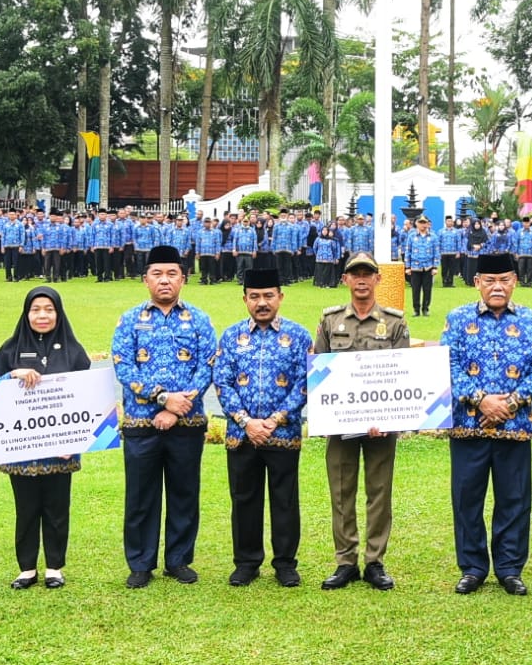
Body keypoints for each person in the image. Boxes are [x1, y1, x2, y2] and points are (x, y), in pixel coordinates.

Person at [441, 253, 532, 596]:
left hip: (514, 427)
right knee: (467, 498)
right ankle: (472, 567)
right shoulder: (457, 320)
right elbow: (448, 365)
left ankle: (509, 568)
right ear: (477, 283)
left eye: (504, 279)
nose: (498, 287)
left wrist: (510, 404)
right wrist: (481, 399)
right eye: (490, 280)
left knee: (514, 499)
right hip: (468, 426)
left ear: (515, 281)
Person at [111, 245, 217, 589]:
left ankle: (178, 560)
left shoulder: (199, 319)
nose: (165, 281)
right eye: (157, 274)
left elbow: (207, 365)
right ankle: (141, 563)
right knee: (141, 496)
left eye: (172, 274)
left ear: (183, 279)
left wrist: (177, 407)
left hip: (186, 423)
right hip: (142, 423)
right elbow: (123, 366)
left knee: (184, 493)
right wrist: (162, 399)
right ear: (145, 280)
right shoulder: (129, 320)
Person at [314, 253, 410, 591]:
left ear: (378, 280)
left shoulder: (395, 323)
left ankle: (375, 561)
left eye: (368, 274)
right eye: (355, 274)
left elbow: (402, 374)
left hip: (380, 426)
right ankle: (345, 561)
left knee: (379, 492)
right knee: (341, 491)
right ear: (345, 280)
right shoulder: (330, 321)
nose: (361, 280)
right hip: (341, 424)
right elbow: (319, 372)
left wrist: (384, 417)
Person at [213, 266, 313, 586]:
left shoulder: (298, 336)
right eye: (254, 297)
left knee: (284, 499)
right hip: (242, 434)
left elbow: (304, 383)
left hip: (282, 433)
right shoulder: (231, 336)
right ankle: (246, 562)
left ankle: (285, 563)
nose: (262, 303)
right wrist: (246, 421)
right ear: (244, 300)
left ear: (280, 297)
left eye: (268, 296)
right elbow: (223, 383)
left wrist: (273, 420)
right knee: (244, 499)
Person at [0, 286, 93, 589]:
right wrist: (12, 375)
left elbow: (88, 399)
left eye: (49, 309)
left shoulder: (74, 352)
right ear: (26, 313)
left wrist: (74, 440)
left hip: (60, 450)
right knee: (26, 508)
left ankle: (54, 567)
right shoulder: (11, 349)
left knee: (57, 508)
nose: (42, 315)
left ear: (58, 314)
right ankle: (26, 569)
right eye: (36, 309)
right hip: (21, 448)